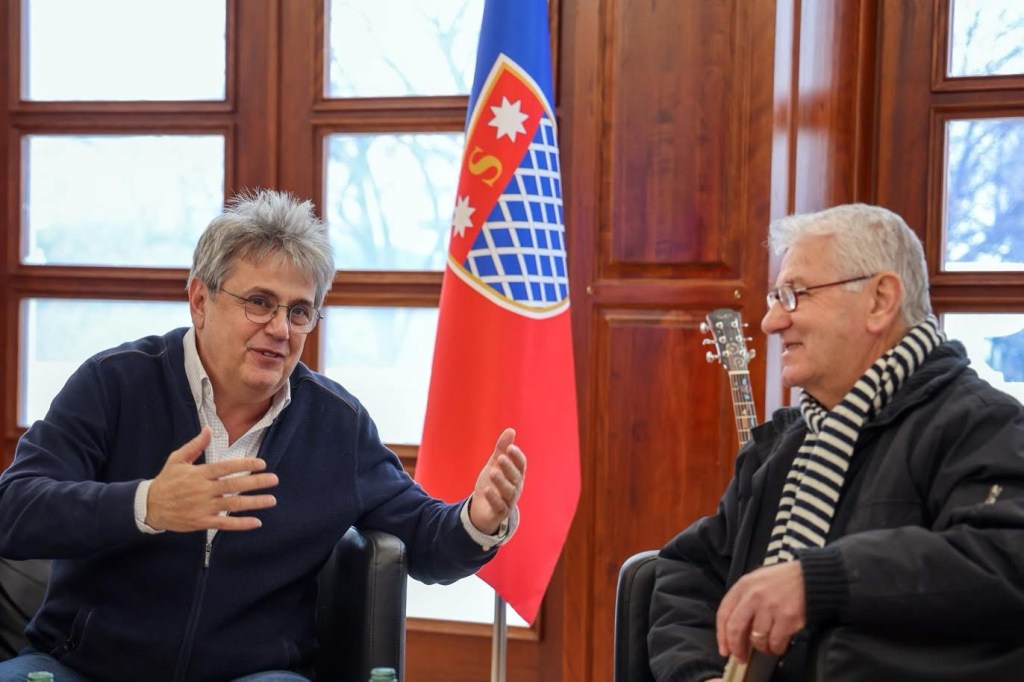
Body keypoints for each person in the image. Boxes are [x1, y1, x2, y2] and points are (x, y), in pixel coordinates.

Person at [0, 189, 527, 682]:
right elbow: (14, 509)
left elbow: (426, 540)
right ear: (200, 301)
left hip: (252, 674)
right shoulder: (114, 383)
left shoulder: (336, 424)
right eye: (259, 301)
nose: (280, 328)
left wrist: (479, 519)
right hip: (86, 667)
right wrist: (148, 505)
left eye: (299, 311)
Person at [647, 204, 1024, 681]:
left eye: (794, 295)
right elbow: (690, 573)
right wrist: (699, 674)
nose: (770, 322)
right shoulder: (779, 447)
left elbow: (1004, 559)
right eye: (774, 298)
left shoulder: (981, 424)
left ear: (880, 300)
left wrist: (818, 581)